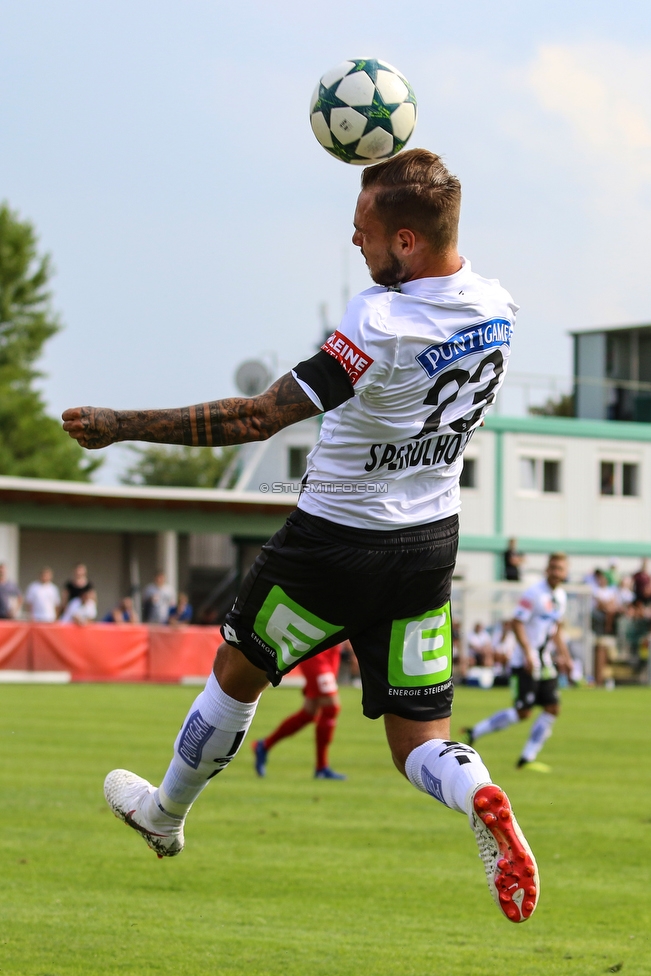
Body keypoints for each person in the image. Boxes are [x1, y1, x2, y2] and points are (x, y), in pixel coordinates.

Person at [62, 148, 538, 924]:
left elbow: (258, 417)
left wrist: (123, 427)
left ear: (408, 241)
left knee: (236, 671)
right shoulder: (497, 306)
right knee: (418, 739)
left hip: (333, 541)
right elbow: (421, 218)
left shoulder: (380, 323)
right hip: (427, 547)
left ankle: (165, 814)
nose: (354, 242)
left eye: (365, 231)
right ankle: (475, 790)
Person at [462, 553, 572, 771]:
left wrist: (566, 657)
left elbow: (556, 629)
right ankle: (476, 732)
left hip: (545, 662)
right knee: (523, 712)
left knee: (552, 708)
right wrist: (529, 652)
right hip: (525, 662)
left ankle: (527, 757)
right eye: (553, 567)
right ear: (546, 570)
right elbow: (517, 622)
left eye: (560, 568)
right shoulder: (534, 594)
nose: (556, 572)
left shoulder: (561, 596)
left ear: (565, 572)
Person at [252, 642, 347, 780]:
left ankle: (264, 745)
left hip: (333, 648)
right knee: (331, 708)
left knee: (309, 713)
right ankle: (321, 768)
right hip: (316, 649)